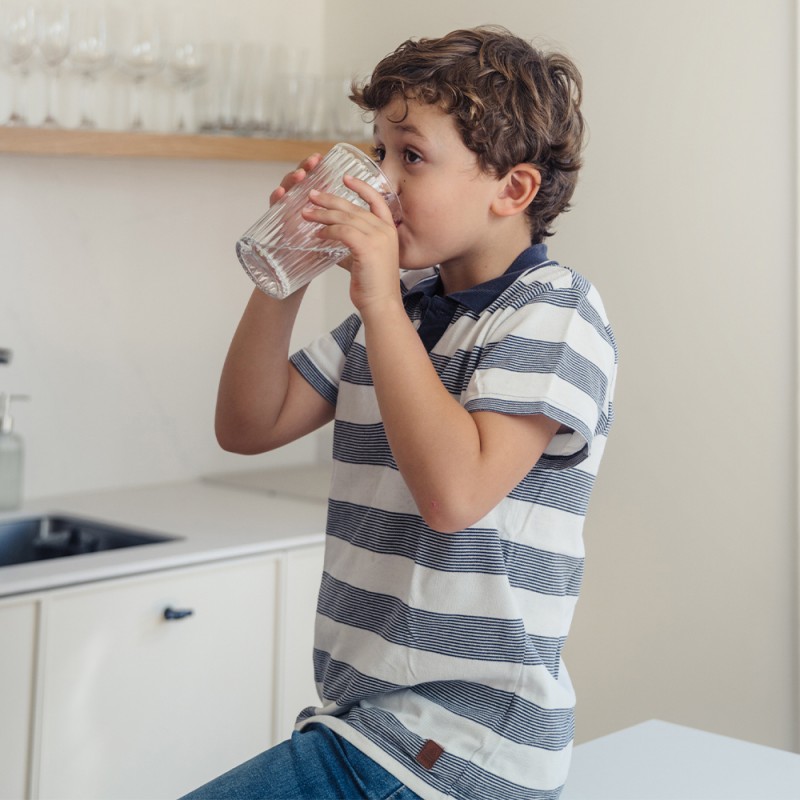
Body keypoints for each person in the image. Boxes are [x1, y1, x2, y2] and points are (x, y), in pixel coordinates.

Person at [184, 24, 617, 800]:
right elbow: (248, 425)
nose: (379, 181)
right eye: (376, 150)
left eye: (409, 157)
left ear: (511, 189)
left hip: (457, 748)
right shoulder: (406, 313)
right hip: (370, 728)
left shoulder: (555, 313)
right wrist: (284, 268)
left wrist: (379, 296)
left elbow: (455, 495)